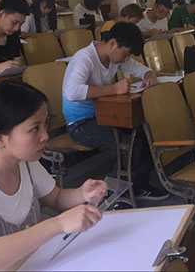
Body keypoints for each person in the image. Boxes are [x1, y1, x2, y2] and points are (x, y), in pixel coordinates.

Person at [0, 80, 107, 271]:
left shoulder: (24, 162)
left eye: (45, 124)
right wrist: (58, 224)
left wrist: (82, 193)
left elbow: (56, 198)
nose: (45, 135)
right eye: (35, 128)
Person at [62, 22, 167, 200]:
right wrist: (113, 89)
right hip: (80, 123)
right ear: (112, 43)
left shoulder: (114, 57)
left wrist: (150, 77)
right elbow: (72, 92)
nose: (126, 59)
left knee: (146, 134)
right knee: (128, 147)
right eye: (126, 54)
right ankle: (111, 196)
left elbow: (144, 70)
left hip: (104, 115)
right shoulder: (85, 58)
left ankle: (139, 185)